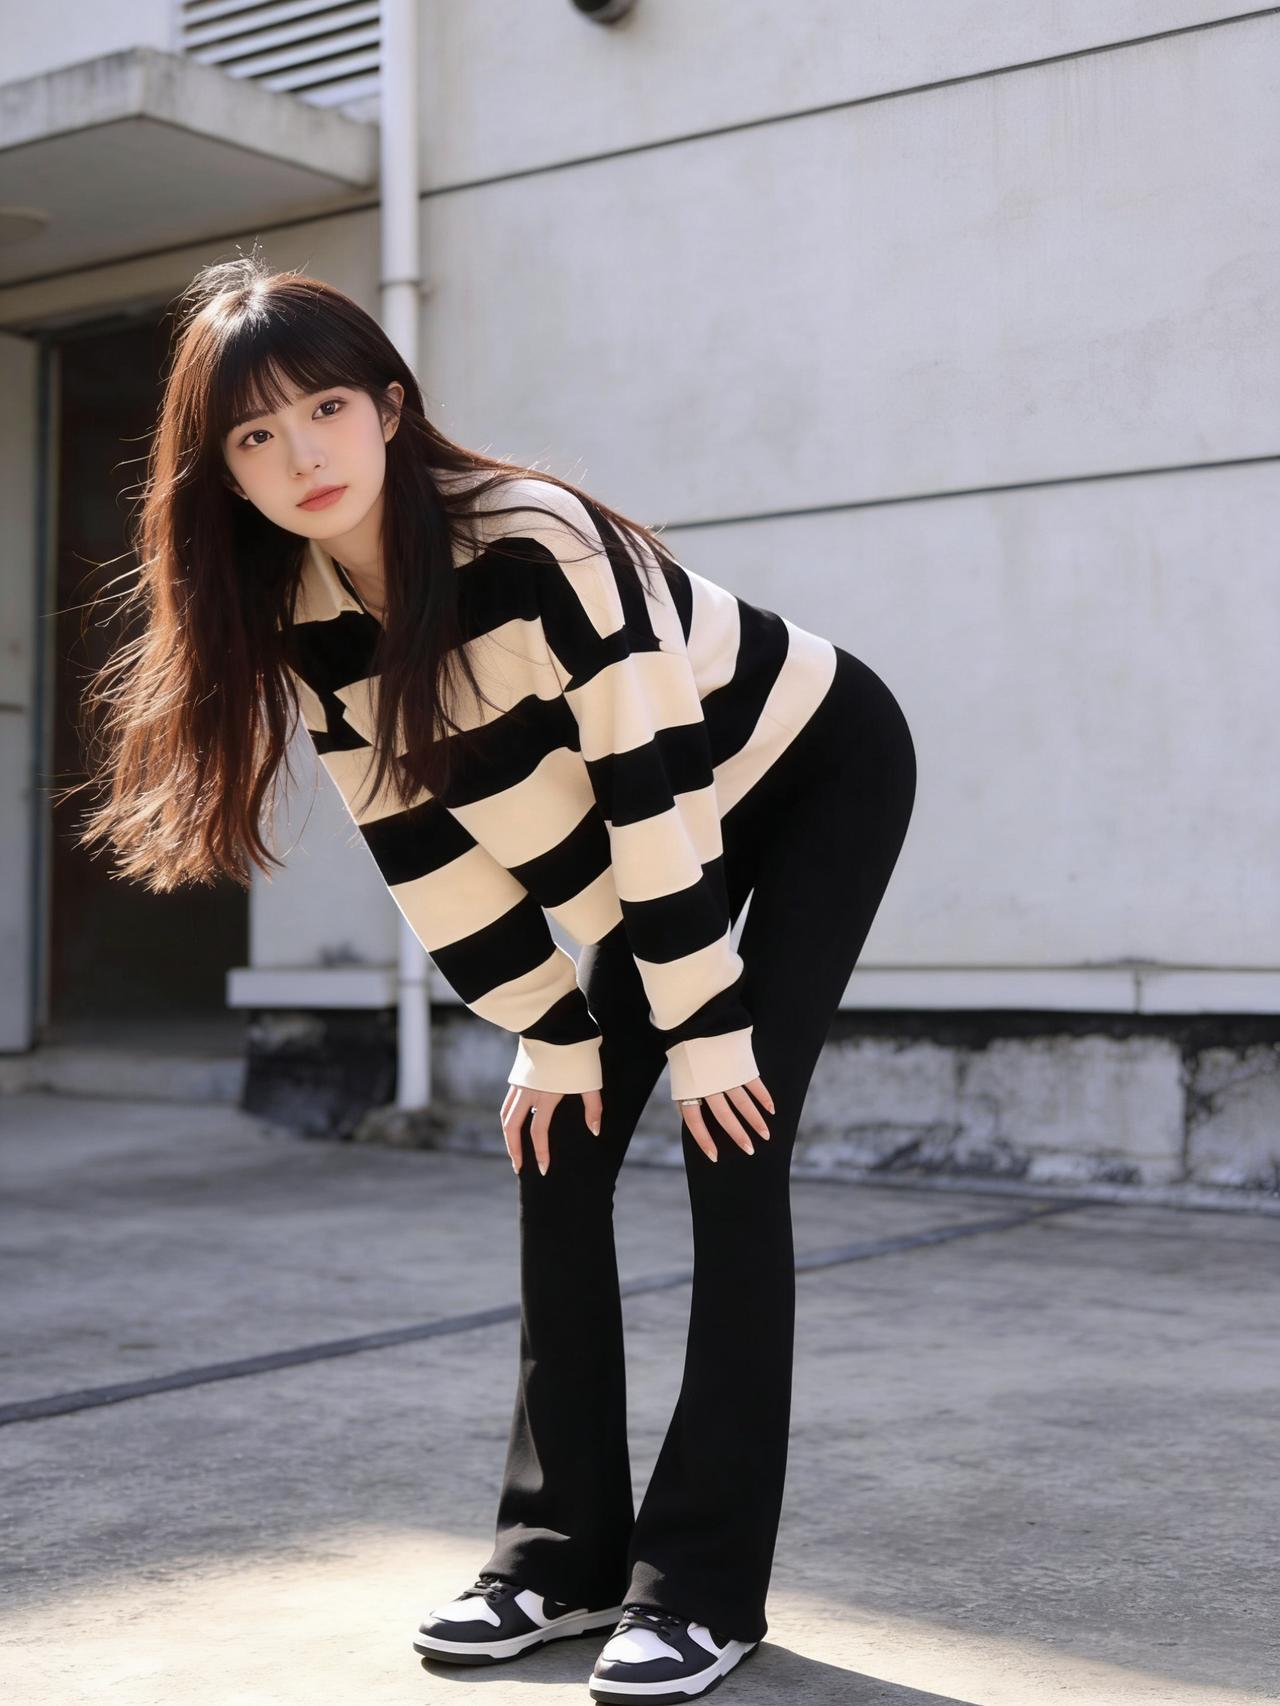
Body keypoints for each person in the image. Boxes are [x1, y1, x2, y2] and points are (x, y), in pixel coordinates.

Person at [76, 253, 917, 1704]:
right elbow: (416, 841)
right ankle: (559, 1553)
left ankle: (702, 1587)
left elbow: (653, 783)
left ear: (391, 407)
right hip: (655, 841)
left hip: (806, 773)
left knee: (734, 1141)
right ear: (223, 473)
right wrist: (546, 1026)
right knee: (558, 1148)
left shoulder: (535, 539)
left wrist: (707, 1030)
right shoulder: (304, 613)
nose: (303, 456)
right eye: (256, 436)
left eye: (326, 409)